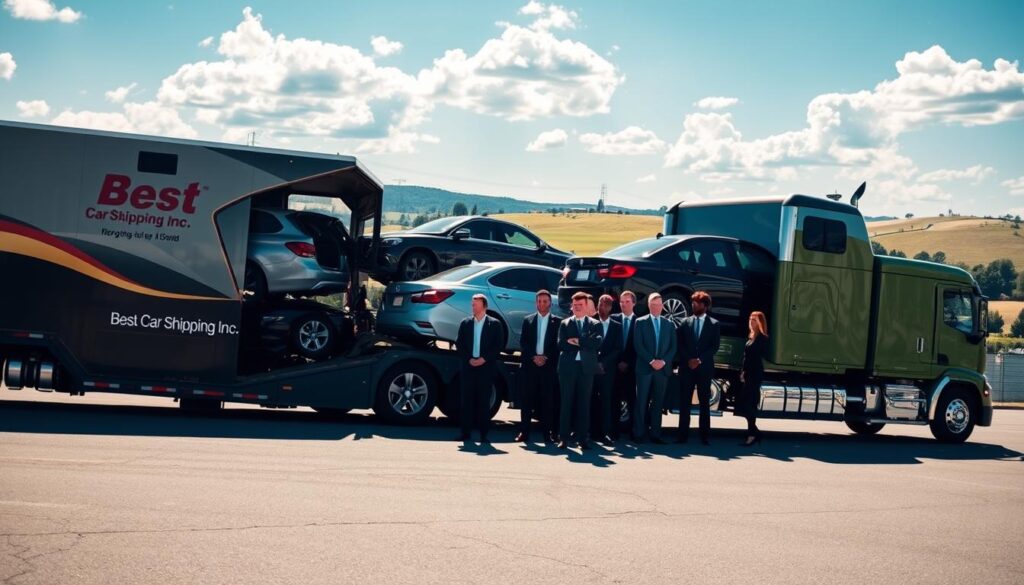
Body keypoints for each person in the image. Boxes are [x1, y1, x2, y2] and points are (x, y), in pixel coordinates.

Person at [557, 291, 603, 450]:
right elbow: (561, 344)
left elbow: (596, 343)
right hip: (567, 369)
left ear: (586, 306)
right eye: (574, 305)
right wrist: (585, 342)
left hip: (586, 369)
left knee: (584, 404)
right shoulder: (565, 323)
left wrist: (578, 341)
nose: (577, 308)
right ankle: (563, 438)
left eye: (580, 305)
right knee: (566, 403)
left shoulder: (595, 324)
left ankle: (583, 439)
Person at [454, 294, 503, 443]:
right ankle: (465, 433)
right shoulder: (465, 323)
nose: (472, 306)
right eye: (472, 304)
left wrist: (484, 359)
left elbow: (498, 345)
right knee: (466, 401)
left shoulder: (495, 324)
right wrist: (469, 358)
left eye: (475, 304)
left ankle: (484, 434)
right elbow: (459, 344)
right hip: (469, 367)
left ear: (484, 306)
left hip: (485, 368)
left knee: (483, 401)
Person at [515, 290, 561, 443]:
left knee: (547, 402)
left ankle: (547, 434)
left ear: (550, 303)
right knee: (527, 401)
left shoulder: (558, 322)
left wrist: (545, 357)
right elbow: (524, 342)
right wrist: (534, 357)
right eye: (539, 301)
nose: (542, 304)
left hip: (548, 367)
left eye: (545, 301)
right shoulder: (528, 320)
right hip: (530, 366)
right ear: (536, 303)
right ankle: (524, 433)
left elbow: (557, 344)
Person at [632, 293, 677, 444]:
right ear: (649, 305)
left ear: (662, 306)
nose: (656, 307)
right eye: (653, 304)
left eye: (658, 305)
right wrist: (652, 361)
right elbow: (638, 345)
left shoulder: (669, 324)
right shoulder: (640, 322)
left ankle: (655, 434)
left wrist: (663, 361)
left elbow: (673, 347)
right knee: (641, 401)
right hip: (645, 367)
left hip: (662, 370)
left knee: (658, 402)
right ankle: (638, 433)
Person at [677, 291, 720, 445]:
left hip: (704, 369)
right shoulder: (684, 322)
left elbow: (714, 347)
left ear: (705, 305)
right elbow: (679, 344)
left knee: (704, 403)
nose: (693, 305)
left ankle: (704, 436)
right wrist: (689, 359)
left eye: (697, 302)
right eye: (693, 302)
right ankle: (682, 436)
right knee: (684, 403)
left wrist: (699, 360)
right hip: (687, 368)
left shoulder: (714, 324)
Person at [591, 294, 623, 445]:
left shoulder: (617, 326)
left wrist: (603, 363)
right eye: (599, 304)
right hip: (590, 368)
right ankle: (588, 431)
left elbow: (617, 348)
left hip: (607, 370)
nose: (601, 307)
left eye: (604, 305)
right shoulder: (589, 321)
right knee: (589, 400)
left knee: (606, 401)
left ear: (610, 307)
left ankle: (605, 433)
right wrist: (594, 362)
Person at [611, 291, 638, 441]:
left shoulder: (640, 322)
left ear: (633, 303)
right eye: (621, 302)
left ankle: (633, 431)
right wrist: (618, 362)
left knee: (631, 400)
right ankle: (613, 431)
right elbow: (610, 343)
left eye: (627, 302)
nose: (624, 304)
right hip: (615, 367)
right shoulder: (614, 319)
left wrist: (627, 363)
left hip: (631, 369)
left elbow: (638, 347)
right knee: (614, 400)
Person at [739, 311, 769, 447]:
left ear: (760, 322)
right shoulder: (751, 336)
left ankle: (752, 434)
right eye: (750, 319)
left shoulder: (762, 338)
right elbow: (746, 357)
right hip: (748, 373)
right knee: (744, 404)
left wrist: (748, 371)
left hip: (755, 374)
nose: (751, 322)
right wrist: (743, 372)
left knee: (749, 404)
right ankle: (756, 432)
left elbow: (757, 358)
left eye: (755, 320)